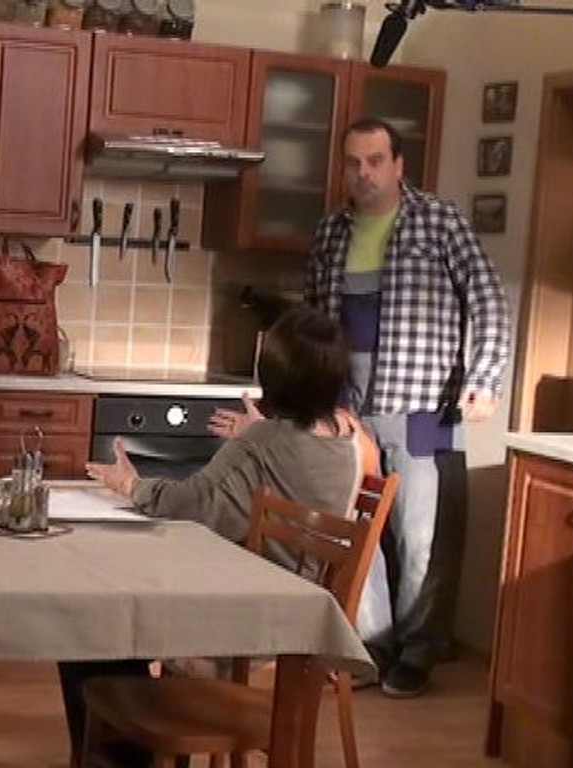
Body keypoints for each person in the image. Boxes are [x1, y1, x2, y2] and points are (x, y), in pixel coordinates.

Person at [59, 306, 368, 768]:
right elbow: (288, 461)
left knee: (92, 627)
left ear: (273, 375)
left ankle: (121, 759)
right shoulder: (346, 443)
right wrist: (253, 436)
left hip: (240, 618)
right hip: (293, 613)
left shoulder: (264, 441)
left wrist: (130, 484)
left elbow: (191, 504)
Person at [305, 117, 511, 698]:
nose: (363, 173)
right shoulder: (331, 232)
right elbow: (314, 317)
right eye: (353, 162)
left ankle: (420, 650)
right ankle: (369, 647)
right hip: (349, 408)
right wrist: (315, 395)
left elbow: (489, 300)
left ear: (398, 165)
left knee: (424, 536)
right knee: (358, 530)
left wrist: (485, 379)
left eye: (375, 161)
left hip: (425, 407)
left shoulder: (438, 220)